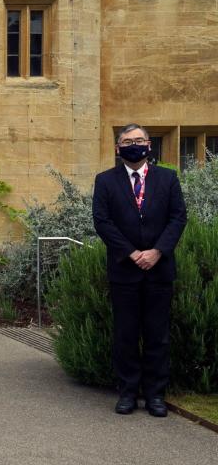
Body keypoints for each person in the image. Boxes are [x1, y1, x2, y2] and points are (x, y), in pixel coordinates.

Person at [93, 123, 186, 417]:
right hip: (125, 270)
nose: (134, 144)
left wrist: (157, 251)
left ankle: (156, 395)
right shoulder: (105, 180)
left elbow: (178, 217)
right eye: (127, 141)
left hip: (159, 270)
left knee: (158, 335)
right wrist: (132, 253)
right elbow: (102, 221)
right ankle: (128, 392)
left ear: (149, 145)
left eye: (139, 140)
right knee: (126, 335)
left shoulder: (168, 179)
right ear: (118, 148)